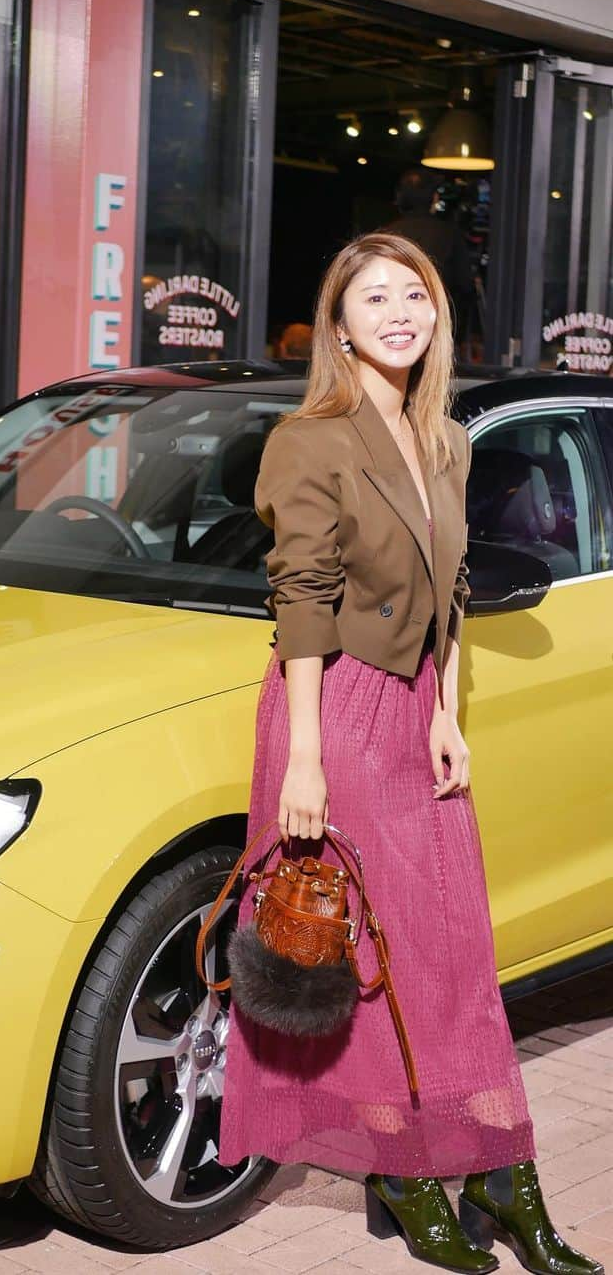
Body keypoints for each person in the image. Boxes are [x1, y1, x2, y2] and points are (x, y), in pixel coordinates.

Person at [218, 233, 601, 1275]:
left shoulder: (443, 439)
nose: (400, 313)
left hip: (412, 709)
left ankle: (499, 1174)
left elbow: (455, 586)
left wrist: (446, 705)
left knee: (454, 952)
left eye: (416, 295)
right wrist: (304, 761)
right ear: (338, 325)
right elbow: (298, 598)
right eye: (375, 297)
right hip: (335, 709)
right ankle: (404, 1168)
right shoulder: (310, 438)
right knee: (383, 956)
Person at [384, 169, 474, 330]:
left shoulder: (384, 235)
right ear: (433, 198)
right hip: (438, 322)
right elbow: (465, 284)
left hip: (394, 320)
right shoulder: (449, 233)